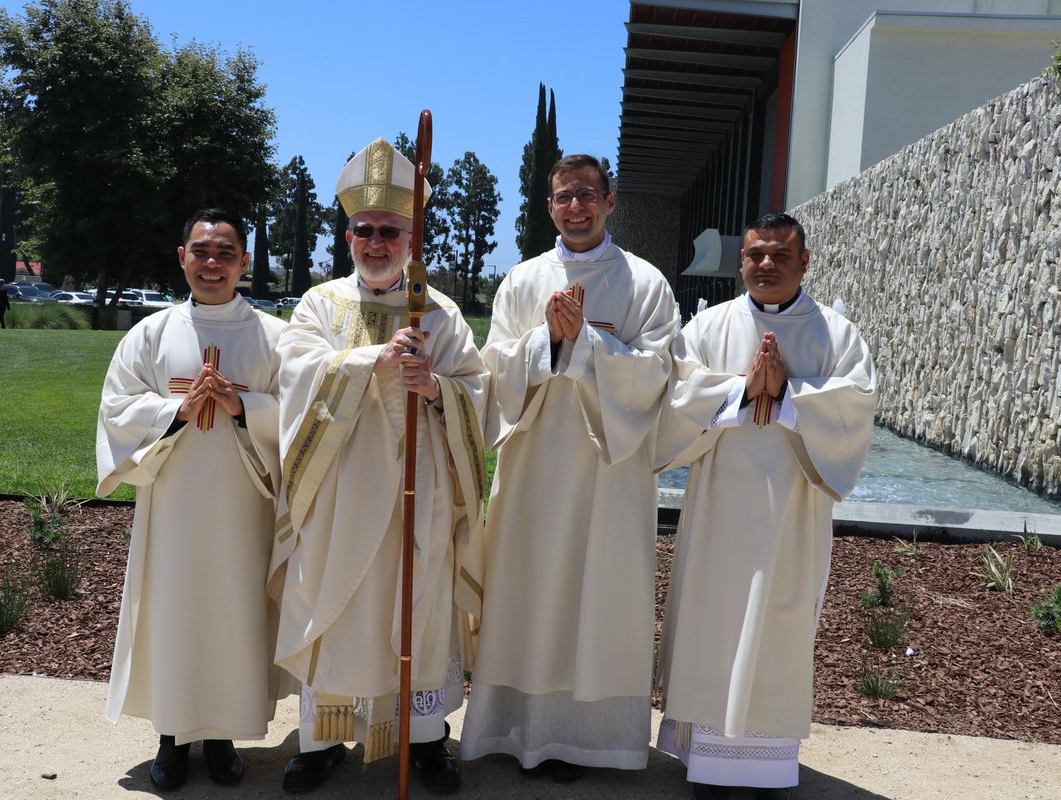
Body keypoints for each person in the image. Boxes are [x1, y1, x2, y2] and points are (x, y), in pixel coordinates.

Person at [268, 137, 487, 795]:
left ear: (411, 237)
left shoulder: (441, 313)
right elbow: (297, 376)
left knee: (417, 610)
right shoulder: (320, 305)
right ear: (347, 237)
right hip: (337, 494)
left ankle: (424, 741)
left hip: (417, 498)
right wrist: (372, 361)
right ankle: (321, 741)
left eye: (389, 230)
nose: (375, 242)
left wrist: (437, 389)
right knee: (332, 606)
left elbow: (478, 393)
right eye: (363, 230)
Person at [459, 154, 678, 780]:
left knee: (596, 592)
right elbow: (491, 369)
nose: (575, 206)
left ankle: (586, 740)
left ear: (610, 202)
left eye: (586, 194)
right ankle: (521, 731)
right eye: (563, 196)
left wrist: (586, 343)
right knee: (530, 590)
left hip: (609, 474)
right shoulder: (523, 280)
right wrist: (545, 342)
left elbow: (660, 373)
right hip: (533, 468)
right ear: (549, 206)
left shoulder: (645, 283)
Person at [653, 213, 877, 800]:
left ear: (805, 261)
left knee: (779, 624)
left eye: (780, 254)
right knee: (714, 622)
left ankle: (767, 768)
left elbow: (855, 408)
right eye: (755, 255)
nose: (766, 264)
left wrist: (788, 395)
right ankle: (709, 765)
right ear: (742, 262)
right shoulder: (708, 326)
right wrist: (741, 389)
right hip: (718, 511)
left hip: (791, 516)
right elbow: (674, 401)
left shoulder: (836, 335)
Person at [96, 208, 289, 791]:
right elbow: (116, 409)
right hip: (174, 509)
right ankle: (172, 738)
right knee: (174, 614)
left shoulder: (275, 337)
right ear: (182, 258)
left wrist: (244, 407)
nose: (212, 263)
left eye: (226, 253)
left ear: (244, 262)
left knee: (234, 614)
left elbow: (302, 417)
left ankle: (222, 737)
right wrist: (174, 411)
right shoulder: (150, 334)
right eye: (201, 251)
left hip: (244, 509)